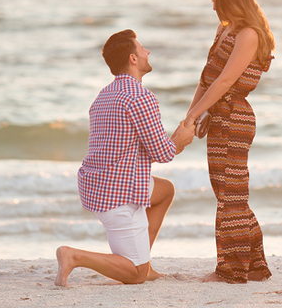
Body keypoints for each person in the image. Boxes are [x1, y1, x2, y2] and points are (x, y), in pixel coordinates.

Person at [55, 29, 195, 286]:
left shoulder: (103, 95)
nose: (147, 52)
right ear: (133, 58)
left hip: (98, 184)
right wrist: (181, 140)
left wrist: (173, 140)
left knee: (164, 190)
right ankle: (73, 256)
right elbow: (163, 152)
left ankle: (143, 260)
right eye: (143, 49)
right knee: (136, 276)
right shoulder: (140, 96)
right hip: (119, 193)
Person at [184, 0, 275, 284]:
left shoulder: (249, 34)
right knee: (227, 193)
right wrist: (191, 116)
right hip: (218, 116)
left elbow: (225, 81)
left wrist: (196, 114)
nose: (213, 8)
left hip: (235, 117)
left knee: (230, 196)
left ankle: (232, 269)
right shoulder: (224, 29)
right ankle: (256, 266)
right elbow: (206, 77)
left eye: (216, 1)